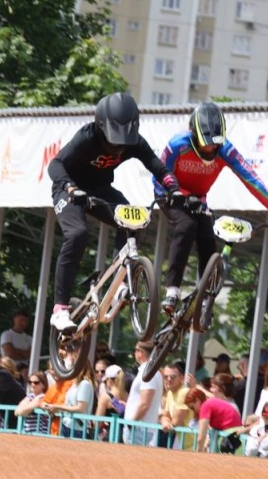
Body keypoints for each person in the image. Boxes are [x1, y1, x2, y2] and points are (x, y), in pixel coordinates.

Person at [47, 92, 182, 331]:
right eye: (112, 142)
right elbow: (55, 164)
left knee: (133, 220)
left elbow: (156, 165)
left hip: (99, 190)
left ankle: (118, 282)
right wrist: (70, 187)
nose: (117, 148)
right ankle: (60, 309)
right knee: (78, 234)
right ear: (100, 127)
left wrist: (173, 187)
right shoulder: (86, 138)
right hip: (69, 190)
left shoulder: (134, 142)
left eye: (122, 143)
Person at [153, 101, 268, 314]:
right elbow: (160, 178)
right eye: (206, 144)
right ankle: (172, 289)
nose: (211, 149)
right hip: (169, 194)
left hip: (198, 199)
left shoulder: (225, 149)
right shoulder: (177, 145)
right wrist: (182, 195)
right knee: (186, 226)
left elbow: (252, 180)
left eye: (215, 144)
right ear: (194, 135)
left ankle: (204, 297)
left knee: (208, 240)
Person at [126, 340, 163, 446]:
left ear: (140, 352)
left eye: (135, 350)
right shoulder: (148, 371)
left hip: (138, 429)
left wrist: (131, 422)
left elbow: (145, 404)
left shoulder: (149, 373)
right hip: (138, 428)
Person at [158, 363, 190, 450]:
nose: (168, 379)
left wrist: (165, 422)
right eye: (165, 377)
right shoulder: (170, 393)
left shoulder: (183, 392)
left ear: (181, 378)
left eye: (173, 377)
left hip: (191, 444)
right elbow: (166, 415)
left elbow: (176, 422)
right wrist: (165, 421)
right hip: (180, 441)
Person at [15, 370, 51, 435]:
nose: (32, 384)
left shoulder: (43, 397)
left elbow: (22, 412)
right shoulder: (31, 396)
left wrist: (25, 407)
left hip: (40, 433)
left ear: (43, 385)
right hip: (28, 432)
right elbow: (17, 412)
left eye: (36, 382)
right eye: (30, 382)